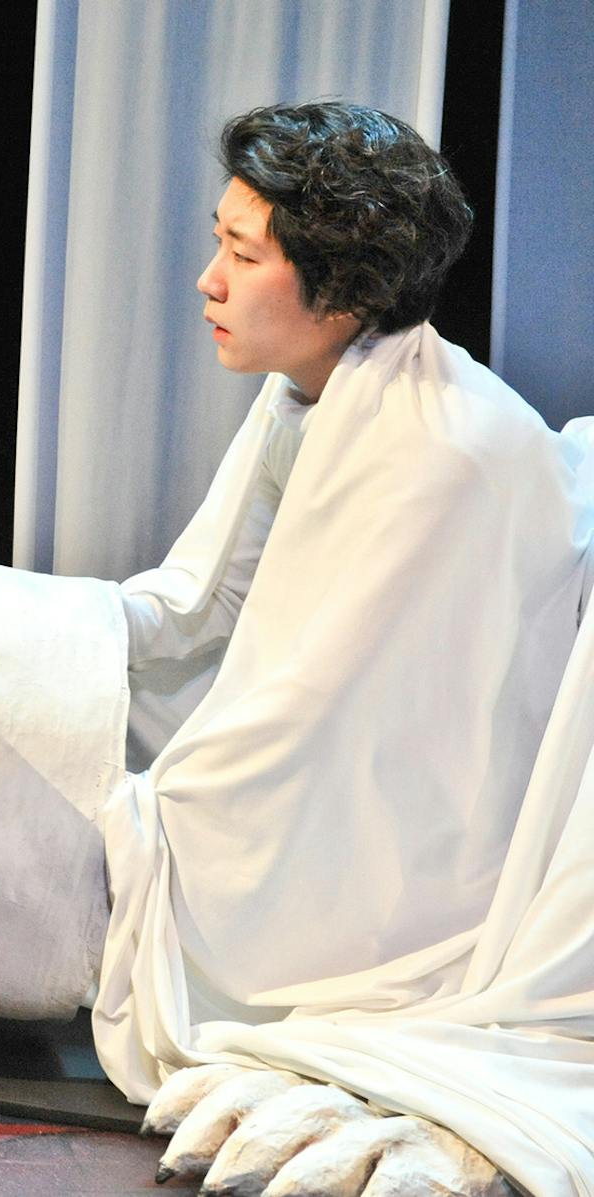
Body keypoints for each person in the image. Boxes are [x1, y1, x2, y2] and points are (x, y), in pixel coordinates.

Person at [98, 102, 594, 1189]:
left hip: (476, 827)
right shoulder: (318, 388)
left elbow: (315, 714)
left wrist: (139, 823)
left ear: (348, 298)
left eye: (240, 255)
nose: (207, 282)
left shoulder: (434, 449)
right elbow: (197, 599)